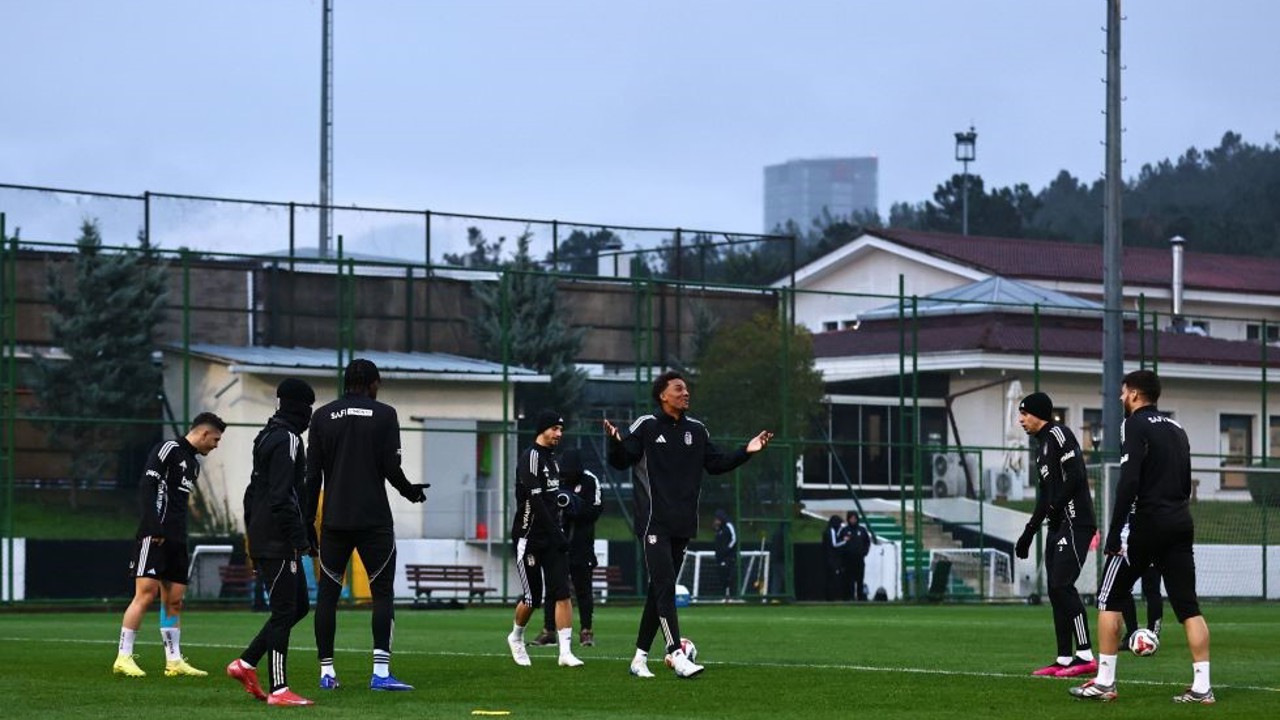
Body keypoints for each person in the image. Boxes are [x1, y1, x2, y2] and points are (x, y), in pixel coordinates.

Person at [603, 370, 773, 679]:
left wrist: (746, 451)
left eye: (687, 389)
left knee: (659, 591)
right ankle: (676, 654)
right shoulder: (646, 426)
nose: (686, 394)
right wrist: (615, 443)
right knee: (666, 587)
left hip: (683, 524)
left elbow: (717, 463)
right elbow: (621, 459)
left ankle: (639, 659)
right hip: (654, 523)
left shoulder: (697, 430)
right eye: (679, 389)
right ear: (662, 396)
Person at [1070, 369, 1214, 704]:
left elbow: (1129, 482)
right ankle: (1203, 688)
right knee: (1188, 607)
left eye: (1123, 393)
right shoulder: (1178, 428)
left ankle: (1105, 682)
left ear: (1134, 394)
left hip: (1145, 523)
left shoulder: (1132, 424)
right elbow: (1184, 482)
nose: (1121, 398)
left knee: (1108, 598)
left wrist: (1113, 532)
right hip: (1180, 522)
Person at [306, 359, 426, 692]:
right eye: (378, 383)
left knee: (327, 595)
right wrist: (411, 491)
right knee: (382, 593)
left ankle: (327, 673)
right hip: (374, 520)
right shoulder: (385, 414)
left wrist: (306, 521)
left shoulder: (322, 416)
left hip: (333, 521)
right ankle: (381, 673)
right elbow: (391, 466)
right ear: (371, 383)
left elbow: (311, 475)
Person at [112, 412, 227, 678]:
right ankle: (123, 656)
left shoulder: (194, 464)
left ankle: (173, 661)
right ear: (203, 433)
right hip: (154, 536)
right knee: (146, 593)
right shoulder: (168, 449)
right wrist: (152, 526)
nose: (216, 445)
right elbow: (147, 486)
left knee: (174, 601)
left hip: (177, 539)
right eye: (216, 439)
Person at [226, 379, 317, 706]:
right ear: (298, 407)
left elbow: (256, 494)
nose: (309, 416)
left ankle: (246, 662)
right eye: (308, 408)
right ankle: (279, 690)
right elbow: (284, 496)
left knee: (299, 606)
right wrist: (299, 539)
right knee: (284, 611)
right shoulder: (288, 439)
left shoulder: (267, 435)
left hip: (266, 535)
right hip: (278, 539)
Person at [1014, 391, 1098, 678]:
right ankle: (1063, 658)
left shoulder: (1060, 434)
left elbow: (1076, 476)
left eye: (1024, 413)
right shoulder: (1040, 449)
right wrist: (1028, 532)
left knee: (1063, 586)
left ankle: (1085, 654)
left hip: (1077, 522)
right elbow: (1044, 498)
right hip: (1058, 525)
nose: (1021, 419)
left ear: (1039, 414)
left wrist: (1057, 506)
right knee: (1054, 590)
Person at [505, 410, 584, 668]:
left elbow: (551, 496)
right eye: (555, 429)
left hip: (552, 536)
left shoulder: (553, 460)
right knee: (533, 598)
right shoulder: (531, 457)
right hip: (530, 537)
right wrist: (557, 532)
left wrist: (564, 499)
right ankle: (516, 637)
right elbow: (536, 501)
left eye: (561, 430)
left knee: (562, 593)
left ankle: (565, 652)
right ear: (542, 429)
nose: (559, 434)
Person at [530, 448, 603, 648]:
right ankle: (549, 630)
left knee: (583, 590)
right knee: (553, 589)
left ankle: (586, 631)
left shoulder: (590, 481)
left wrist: (573, 507)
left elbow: (595, 510)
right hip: (557, 543)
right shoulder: (556, 479)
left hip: (581, 545)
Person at [840, 511, 872, 601]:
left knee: (860, 579)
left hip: (859, 559)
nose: (853, 520)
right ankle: (849, 597)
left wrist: (864, 552)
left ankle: (860, 597)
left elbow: (867, 542)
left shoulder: (862, 530)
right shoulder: (845, 530)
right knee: (849, 580)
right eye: (851, 518)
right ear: (848, 519)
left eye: (854, 518)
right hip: (848, 560)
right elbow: (840, 543)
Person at [712, 509, 738, 601]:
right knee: (722, 576)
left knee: (730, 576)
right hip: (720, 557)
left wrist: (727, 549)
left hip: (729, 556)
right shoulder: (718, 529)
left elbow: (734, 539)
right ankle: (725, 595)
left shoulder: (729, 526)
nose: (716, 521)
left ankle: (731, 595)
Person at [821, 515, 847, 601]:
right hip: (831, 559)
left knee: (829, 578)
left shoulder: (828, 530)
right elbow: (834, 544)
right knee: (832, 578)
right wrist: (844, 541)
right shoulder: (831, 530)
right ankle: (830, 597)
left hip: (827, 558)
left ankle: (829, 597)